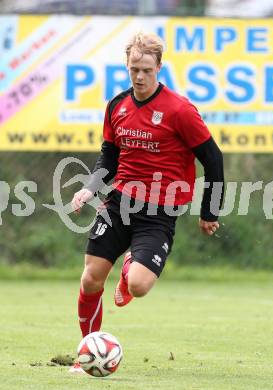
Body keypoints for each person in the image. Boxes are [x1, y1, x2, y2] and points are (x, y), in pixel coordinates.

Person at [70, 32, 224, 373]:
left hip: (160, 212)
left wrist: (209, 210)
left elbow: (213, 159)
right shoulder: (117, 106)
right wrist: (89, 189)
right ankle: (86, 355)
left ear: (159, 68)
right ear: (127, 67)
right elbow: (108, 157)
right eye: (133, 69)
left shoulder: (180, 110)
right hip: (119, 203)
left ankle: (129, 271)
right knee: (90, 278)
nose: (139, 77)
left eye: (146, 70)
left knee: (139, 287)